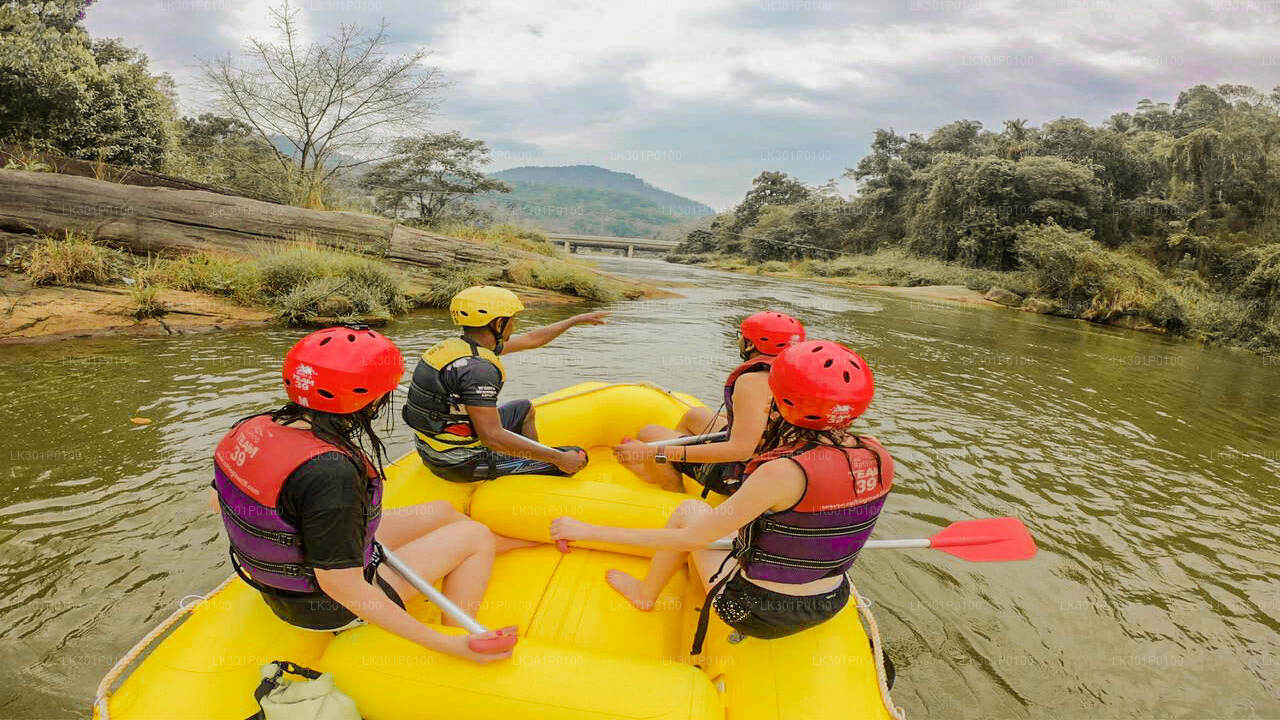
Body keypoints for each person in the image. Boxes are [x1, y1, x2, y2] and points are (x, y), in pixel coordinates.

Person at [551, 339, 892, 653]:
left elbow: (690, 537)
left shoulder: (780, 472)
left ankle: (644, 593)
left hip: (756, 610)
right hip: (831, 601)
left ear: (781, 402)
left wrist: (584, 530)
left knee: (689, 511)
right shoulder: (879, 455)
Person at [211, 326, 512, 663]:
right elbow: (342, 586)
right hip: (326, 607)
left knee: (442, 511)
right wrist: (447, 645)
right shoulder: (331, 472)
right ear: (371, 400)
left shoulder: (252, 426)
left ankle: (513, 543)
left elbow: (219, 503)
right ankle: (460, 633)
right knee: (474, 534)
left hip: (293, 572)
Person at [402, 285, 607, 483]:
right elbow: (492, 437)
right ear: (499, 323)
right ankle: (533, 475)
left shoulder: (452, 348)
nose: (514, 326)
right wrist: (558, 458)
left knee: (524, 408)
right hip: (460, 463)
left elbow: (531, 339)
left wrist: (573, 321)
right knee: (576, 456)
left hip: (433, 448)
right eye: (512, 320)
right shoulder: (478, 370)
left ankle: (532, 462)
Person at [616, 311, 805, 495]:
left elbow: (741, 450)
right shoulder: (797, 373)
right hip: (780, 459)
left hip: (746, 476)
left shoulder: (753, 382)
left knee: (650, 434)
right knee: (695, 415)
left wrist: (654, 451)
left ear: (750, 345)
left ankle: (672, 487)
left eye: (742, 337)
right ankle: (665, 468)